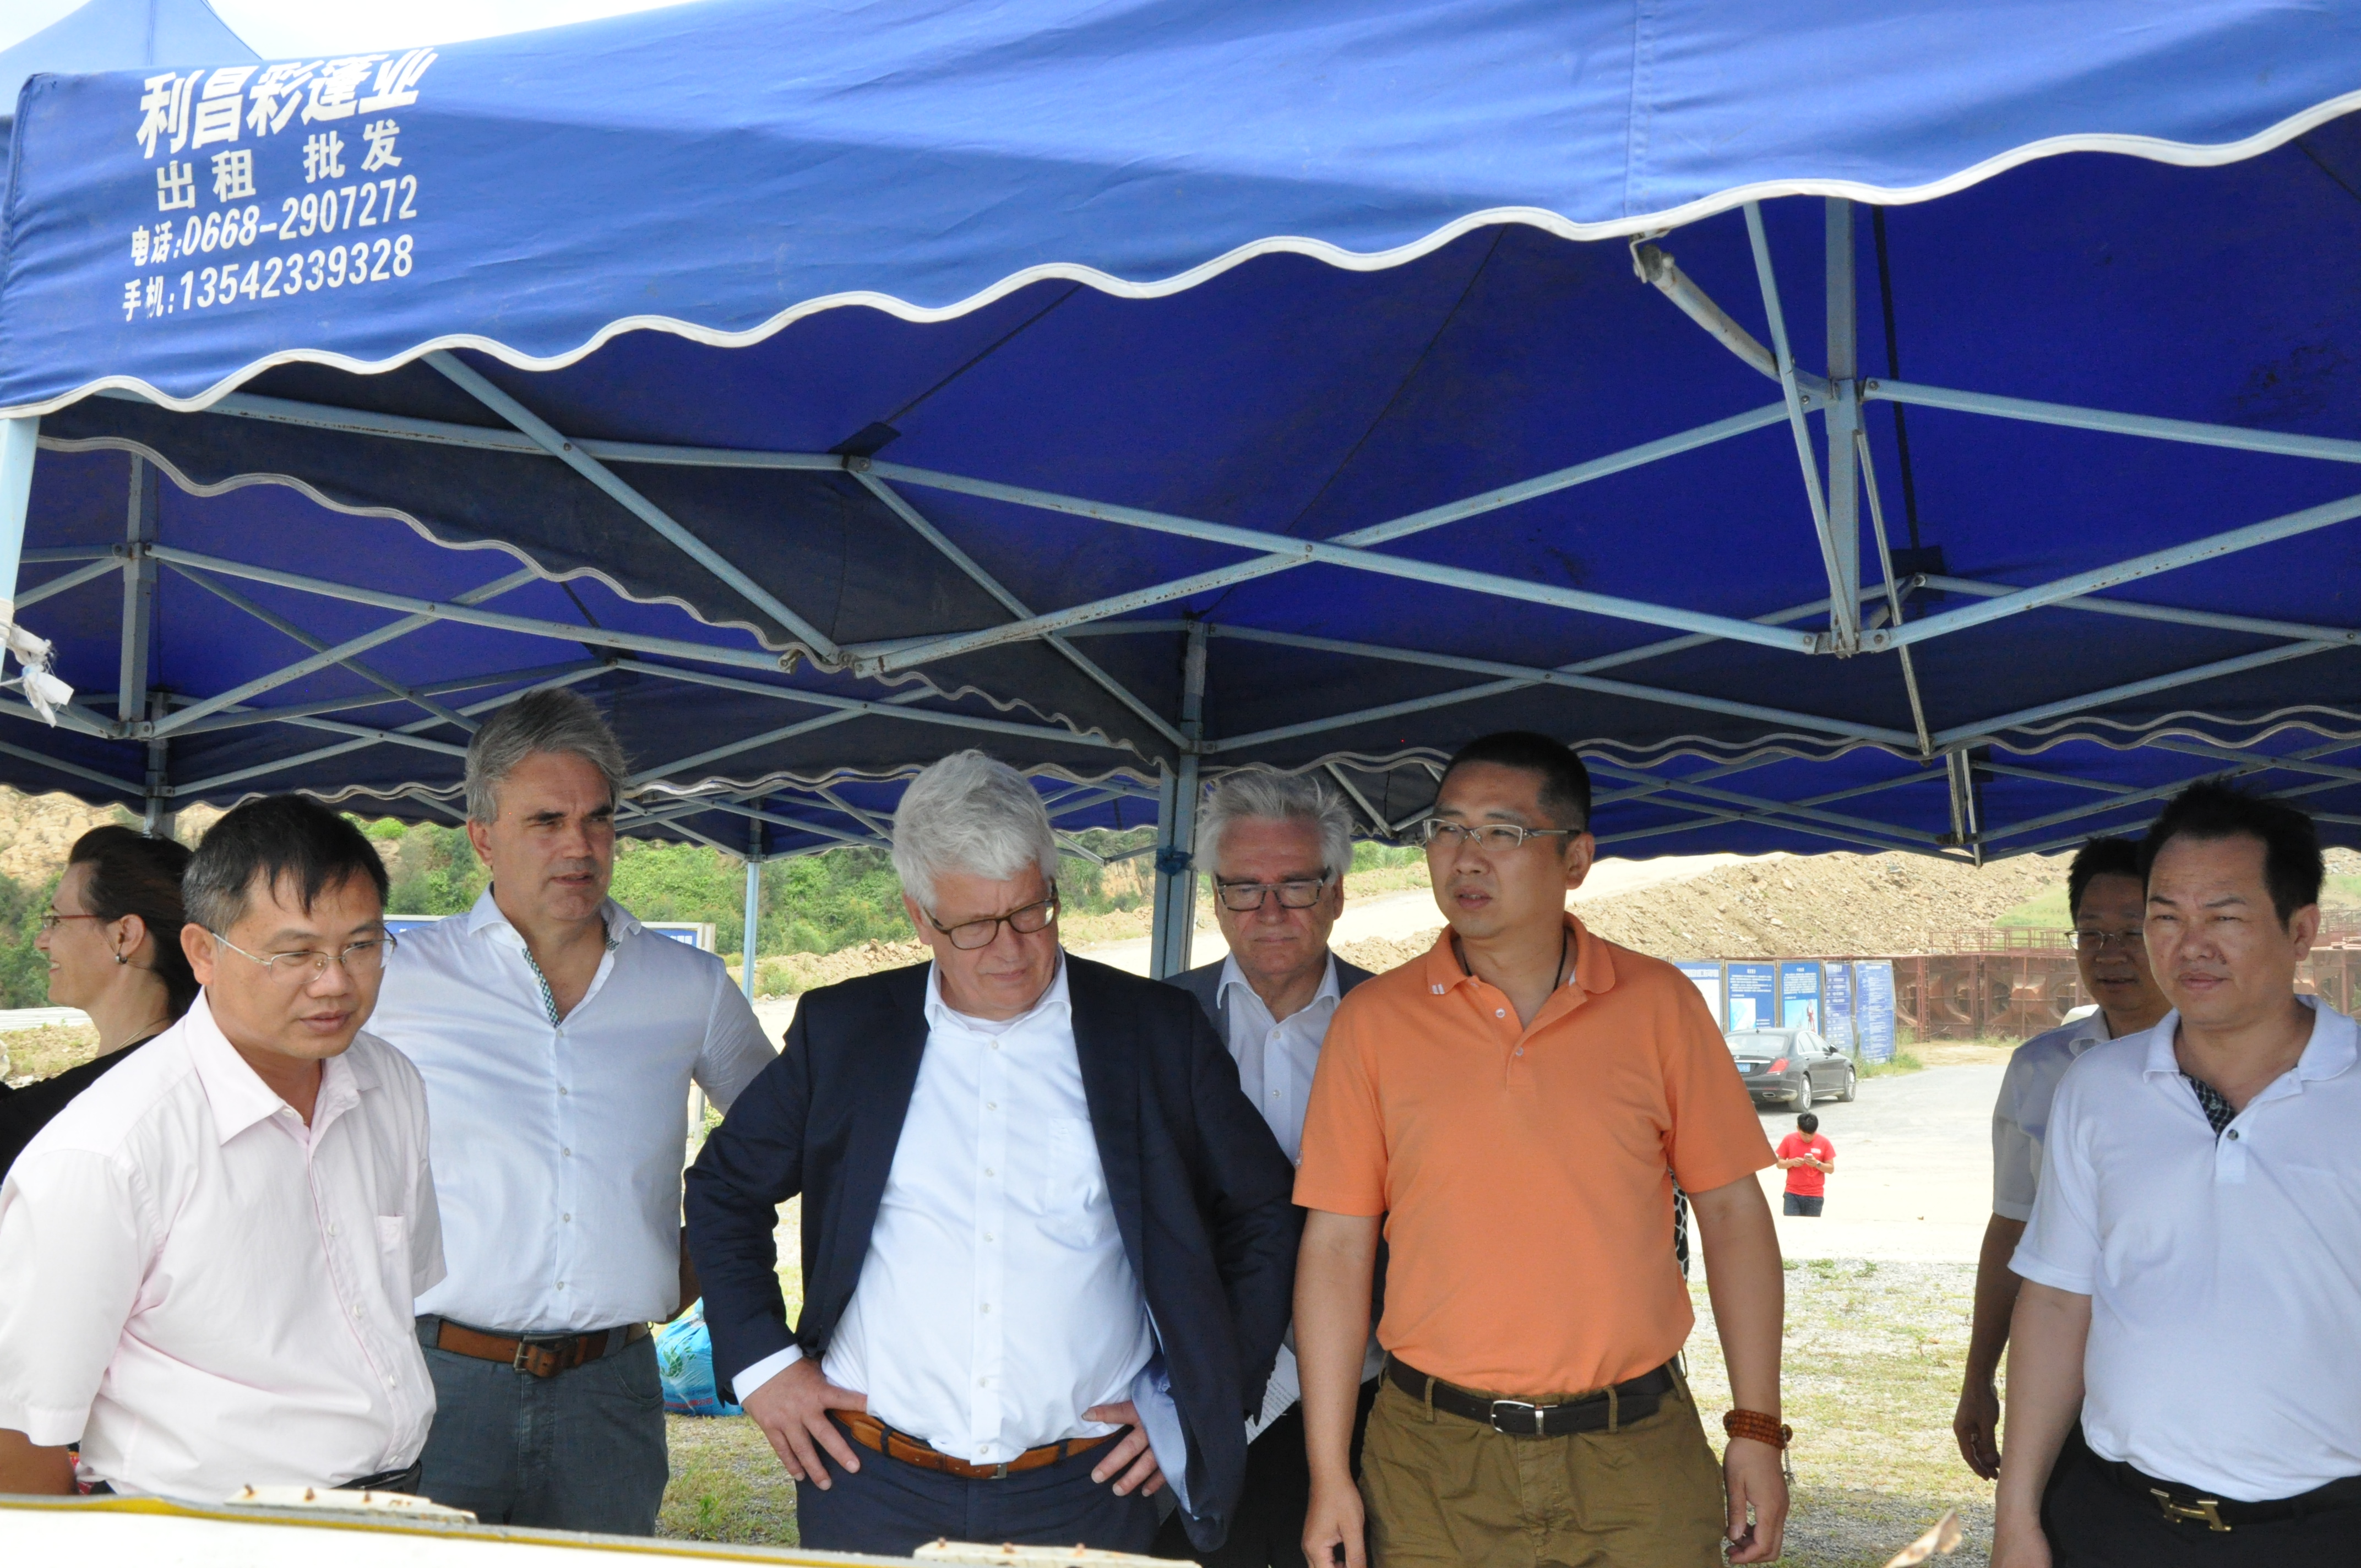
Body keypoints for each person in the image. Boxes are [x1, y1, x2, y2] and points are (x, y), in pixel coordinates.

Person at [686, 749, 1300, 1558]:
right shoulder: (847, 1031)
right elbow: (724, 1189)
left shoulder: (1153, 1031)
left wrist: (1199, 1401)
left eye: (1030, 912)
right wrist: (765, 1367)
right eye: (973, 926)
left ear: (1052, 885)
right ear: (918, 917)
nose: (1009, 949)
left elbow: (1265, 1210)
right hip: (871, 1483)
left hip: (1086, 1489)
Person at [1294, 731, 1790, 1568]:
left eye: (1503, 832)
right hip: (1433, 1463)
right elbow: (1337, 1247)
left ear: (1576, 859)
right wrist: (1327, 1471)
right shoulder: (1373, 1023)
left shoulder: (1659, 1005)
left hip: (1634, 1455)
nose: (1465, 856)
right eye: (1447, 829)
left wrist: (1756, 1427)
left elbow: (1734, 1216)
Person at [370, 688, 776, 1535]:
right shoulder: (400, 981)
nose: (580, 846)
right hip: (440, 1381)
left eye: (598, 819)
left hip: (611, 1391)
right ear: (483, 836)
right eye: (547, 821)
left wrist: (699, 1251)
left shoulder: (687, 986)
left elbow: (784, 1134)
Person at [0, 797, 439, 1499]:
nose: (334, 981)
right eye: (295, 953)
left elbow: (396, 1295)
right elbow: (21, 1434)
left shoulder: (390, 1085)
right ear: (203, 952)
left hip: (392, 1503)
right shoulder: (107, 1152)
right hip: (199, 1527)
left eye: (361, 946)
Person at [1994, 781, 2361, 1568]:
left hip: (2326, 1530)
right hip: (2116, 1521)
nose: (2190, 946)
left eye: (2224, 918)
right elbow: (2057, 1301)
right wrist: (2017, 1514)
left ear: (2301, 930)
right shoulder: (2098, 1086)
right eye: (2165, 917)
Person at [1155, 771, 1380, 1568]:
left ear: (1338, 893)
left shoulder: (1401, 1023)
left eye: (1296, 885)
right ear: (1215, 899)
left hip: (1369, 1393)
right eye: (1244, 888)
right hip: (1197, 1395)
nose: (1271, 910)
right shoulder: (1151, 1024)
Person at [1952, 837, 2167, 1480]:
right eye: (2091, 933)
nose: (2109, 953)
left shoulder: (2233, 1065)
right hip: (2060, 1368)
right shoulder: (2040, 1067)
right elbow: (2012, 1225)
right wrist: (1979, 1375)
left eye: (2131, 931)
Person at [0, 826, 197, 1176]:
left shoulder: (128, 1089)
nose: (41, 941)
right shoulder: (168, 1062)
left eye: (57, 920)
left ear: (124, 936)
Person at [1774, 1112, 1834, 1217]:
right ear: (1798, 1128)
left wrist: (1817, 1164)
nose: (1808, 1138)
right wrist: (1791, 1162)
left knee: (1811, 1225)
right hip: (1792, 1193)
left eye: (1812, 1135)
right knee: (1791, 1224)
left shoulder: (1824, 1142)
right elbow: (1779, 1164)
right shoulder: (1789, 1140)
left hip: (1815, 1195)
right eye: (1804, 1135)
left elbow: (1831, 1169)